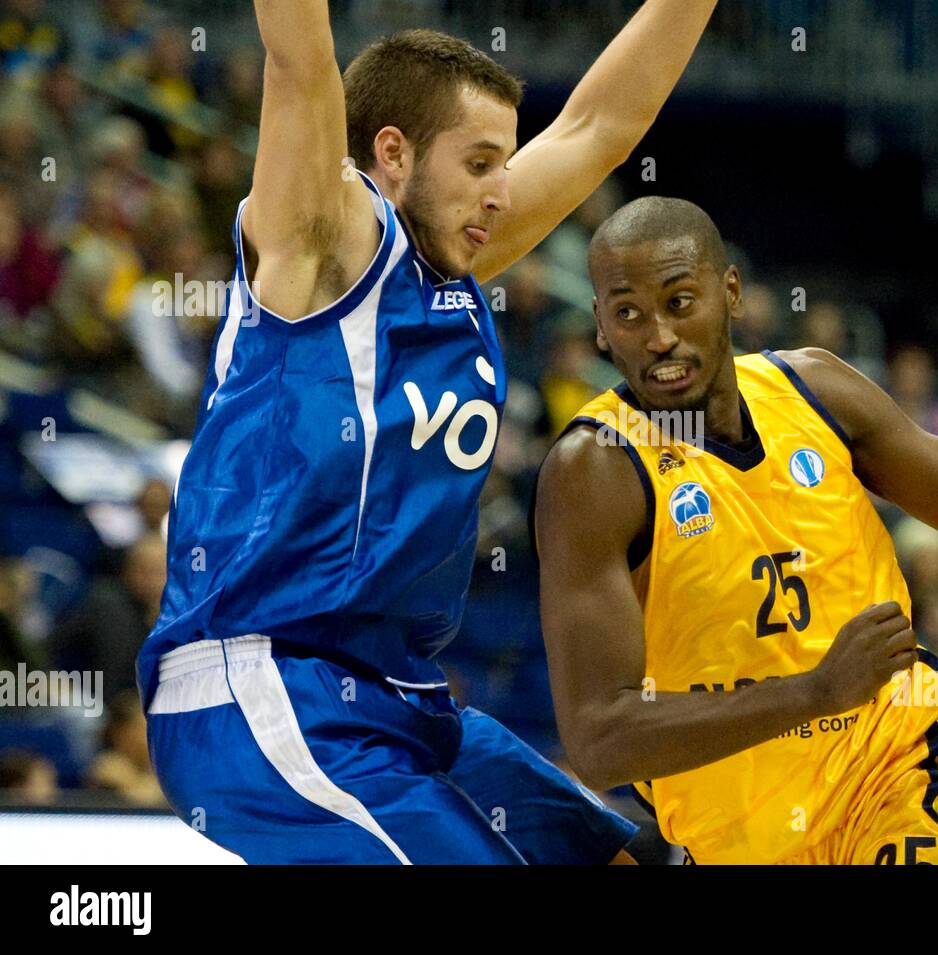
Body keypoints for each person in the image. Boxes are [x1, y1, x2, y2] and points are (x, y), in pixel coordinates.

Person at [137, 1, 718, 864]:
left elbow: (603, 124)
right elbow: (300, 61)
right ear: (393, 153)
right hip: (259, 681)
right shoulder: (320, 238)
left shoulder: (460, 258)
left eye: (505, 162)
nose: (502, 187)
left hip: (402, 699)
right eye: (479, 161)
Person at [533, 196, 938, 864]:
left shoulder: (817, 391)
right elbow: (598, 741)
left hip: (896, 774)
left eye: (681, 301)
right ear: (600, 325)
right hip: (738, 839)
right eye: (628, 313)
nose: (658, 335)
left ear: (731, 291)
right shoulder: (593, 469)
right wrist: (813, 693)